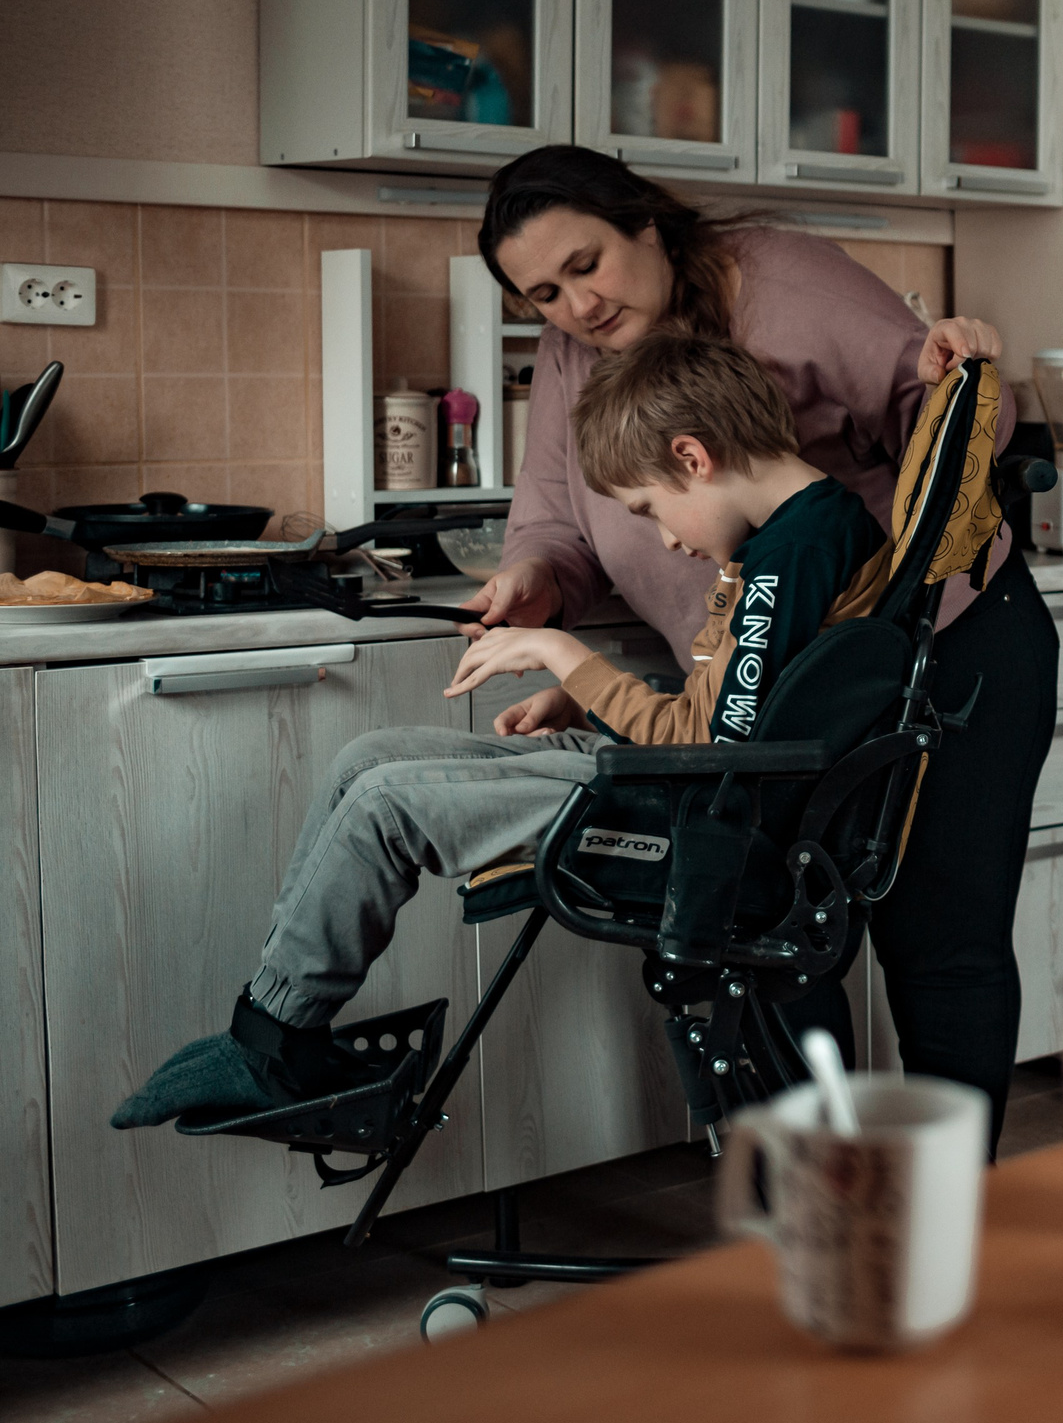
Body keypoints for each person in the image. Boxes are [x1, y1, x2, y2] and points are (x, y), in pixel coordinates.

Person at [116, 336, 889, 1128]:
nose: (665, 539)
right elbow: (736, 716)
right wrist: (587, 700)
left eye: (650, 508)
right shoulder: (805, 533)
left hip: (696, 822)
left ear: (692, 456)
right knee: (369, 759)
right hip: (685, 788)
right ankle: (277, 1036)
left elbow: (723, 749)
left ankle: (270, 1043)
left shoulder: (789, 557)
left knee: (386, 802)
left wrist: (566, 653)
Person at [466, 146, 1057, 1143]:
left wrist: (856, 548)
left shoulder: (778, 283)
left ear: (645, 224)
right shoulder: (575, 354)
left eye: (586, 263)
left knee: (938, 939)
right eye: (543, 294)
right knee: (770, 937)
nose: (575, 303)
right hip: (766, 690)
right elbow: (557, 521)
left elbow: (952, 415)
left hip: (937, 654)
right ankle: (824, 1209)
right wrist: (538, 577)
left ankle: (947, 1208)